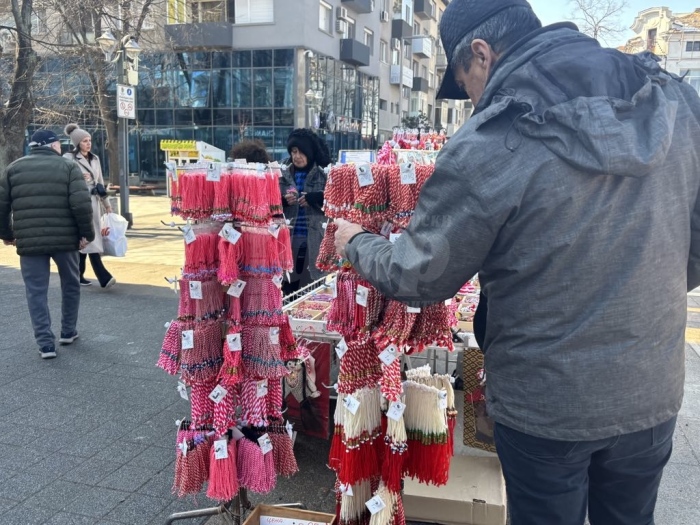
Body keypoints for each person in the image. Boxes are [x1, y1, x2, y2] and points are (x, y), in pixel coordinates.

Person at [333, 0, 700, 523]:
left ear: (481, 54)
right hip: (650, 387)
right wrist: (645, 289)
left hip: (545, 402)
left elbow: (418, 272)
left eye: (466, 85)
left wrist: (356, 241)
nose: (471, 103)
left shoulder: (492, 140)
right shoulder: (676, 104)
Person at [0, 129, 94, 359]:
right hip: (65, 240)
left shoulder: (13, 169)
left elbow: (2, 206)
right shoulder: (69, 167)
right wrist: (86, 234)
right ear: (53, 146)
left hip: (30, 242)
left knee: (36, 291)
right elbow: (81, 205)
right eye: (59, 144)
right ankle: (68, 331)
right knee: (70, 285)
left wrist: (6, 234)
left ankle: (45, 344)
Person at [64, 123, 116, 289]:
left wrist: (107, 204)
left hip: (94, 202)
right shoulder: (68, 158)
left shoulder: (95, 159)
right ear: (77, 143)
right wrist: (80, 176)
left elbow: (100, 182)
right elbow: (63, 178)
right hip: (79, 203)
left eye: (89, 140)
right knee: (89, 237)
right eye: (85, 141)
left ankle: (78, 274)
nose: (88, 143)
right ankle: (103, 277)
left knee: (85, 239)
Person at [279, 129, 331, 294]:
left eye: (302, 152)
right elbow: (269, 204)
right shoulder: (281, 174)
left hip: (314, 238)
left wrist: (318, 198)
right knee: (288, 287)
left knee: (311, 289)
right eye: (294, 151)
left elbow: (337, 205)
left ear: (310, 153)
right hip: (288, 238)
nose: (297, 156)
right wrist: (282, 201)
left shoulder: (323, 174)